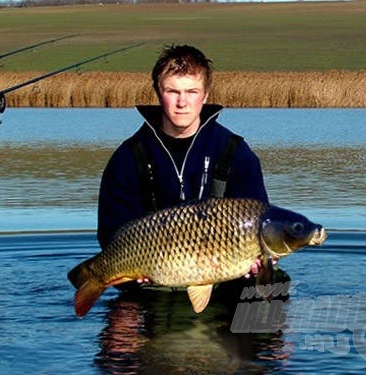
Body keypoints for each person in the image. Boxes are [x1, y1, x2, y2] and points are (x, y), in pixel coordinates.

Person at [97, 45, 269, 267]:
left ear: (205, 95)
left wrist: (257, 261)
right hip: (148, 273)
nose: (182, 103)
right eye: (173, 91)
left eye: (192, 92)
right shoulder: (127, 158)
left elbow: (259, 220)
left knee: (273, 291)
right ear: (159, 93)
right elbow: (111, 232)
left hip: (223, 269)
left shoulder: (236, 153)